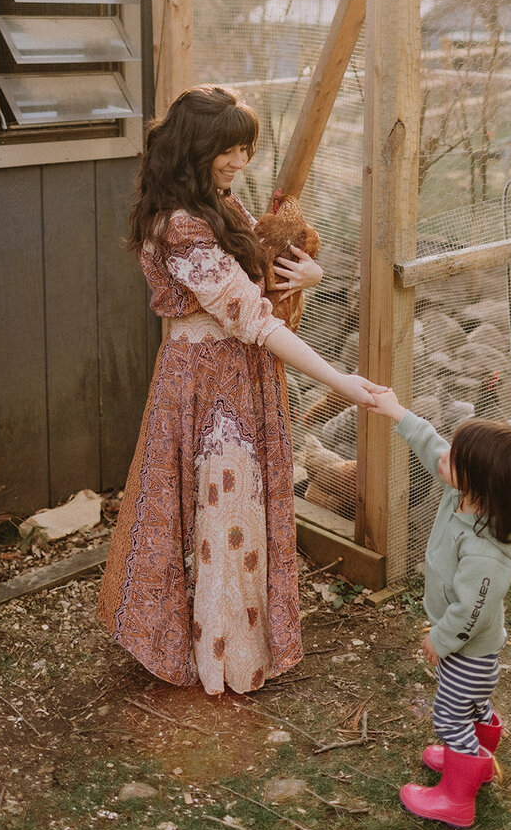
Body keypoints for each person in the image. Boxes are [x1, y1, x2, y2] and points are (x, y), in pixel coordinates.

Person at [98, 85, 383, 697]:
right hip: (203, 385)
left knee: (235, 507)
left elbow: (263, 277)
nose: (237, 161)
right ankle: (219, 657)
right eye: (226, 149)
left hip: (240, 374)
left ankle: (234, 646)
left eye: (244, 149)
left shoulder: (220, 206)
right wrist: (337, 379)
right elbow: (252, 316)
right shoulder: (180, 226)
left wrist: (311, 272)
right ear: (193, 147)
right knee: (221, 507)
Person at [370, 389, 511, 828]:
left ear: (476, 481)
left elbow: (473, 610)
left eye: (456, 459)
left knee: (449, 715)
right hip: (473, 655)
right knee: (473, 706)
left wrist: (440, 639)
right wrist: (397, 412)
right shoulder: (464, 494)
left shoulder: (486, 553)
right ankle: (477, 757)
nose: (444, 459)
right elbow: (432, 446)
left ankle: (457, 796)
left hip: (468, 652)